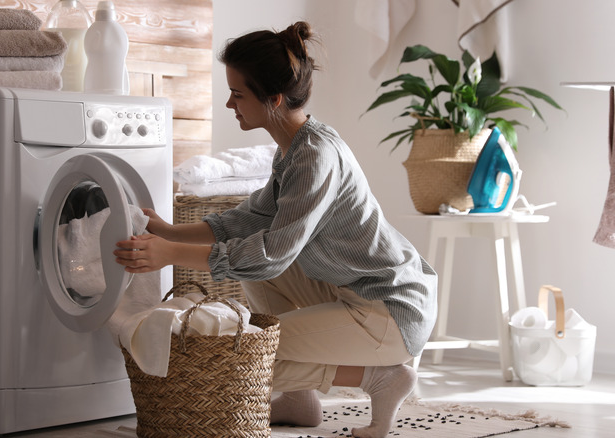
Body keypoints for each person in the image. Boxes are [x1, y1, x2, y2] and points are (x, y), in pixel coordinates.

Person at [114, 21, 438, 438]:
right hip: (359, 290)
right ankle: (300, 400)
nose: (230, 103)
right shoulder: (294, 147)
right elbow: (247, 221)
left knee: (250, 352)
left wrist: (170, 254)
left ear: (274, 99)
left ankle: (381, 379)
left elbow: (271, 253)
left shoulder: (314, 156)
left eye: (237, 93)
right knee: (263, 273)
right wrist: (170, 231)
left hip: (390, 309)